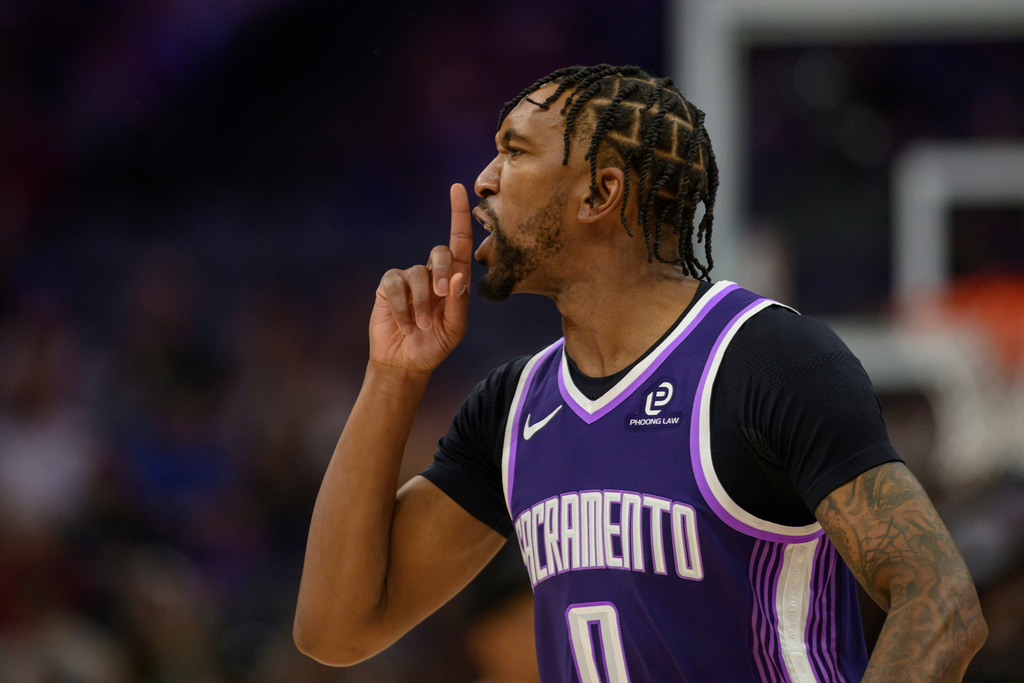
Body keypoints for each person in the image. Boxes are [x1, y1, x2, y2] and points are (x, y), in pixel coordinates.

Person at [293, 64, 987, 682]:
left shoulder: (765, 360)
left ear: (600, 192)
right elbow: (336, 630)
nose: (484, 178)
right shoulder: (512, 408)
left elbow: (943, 604)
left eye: (514, 150)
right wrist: (392, 376)